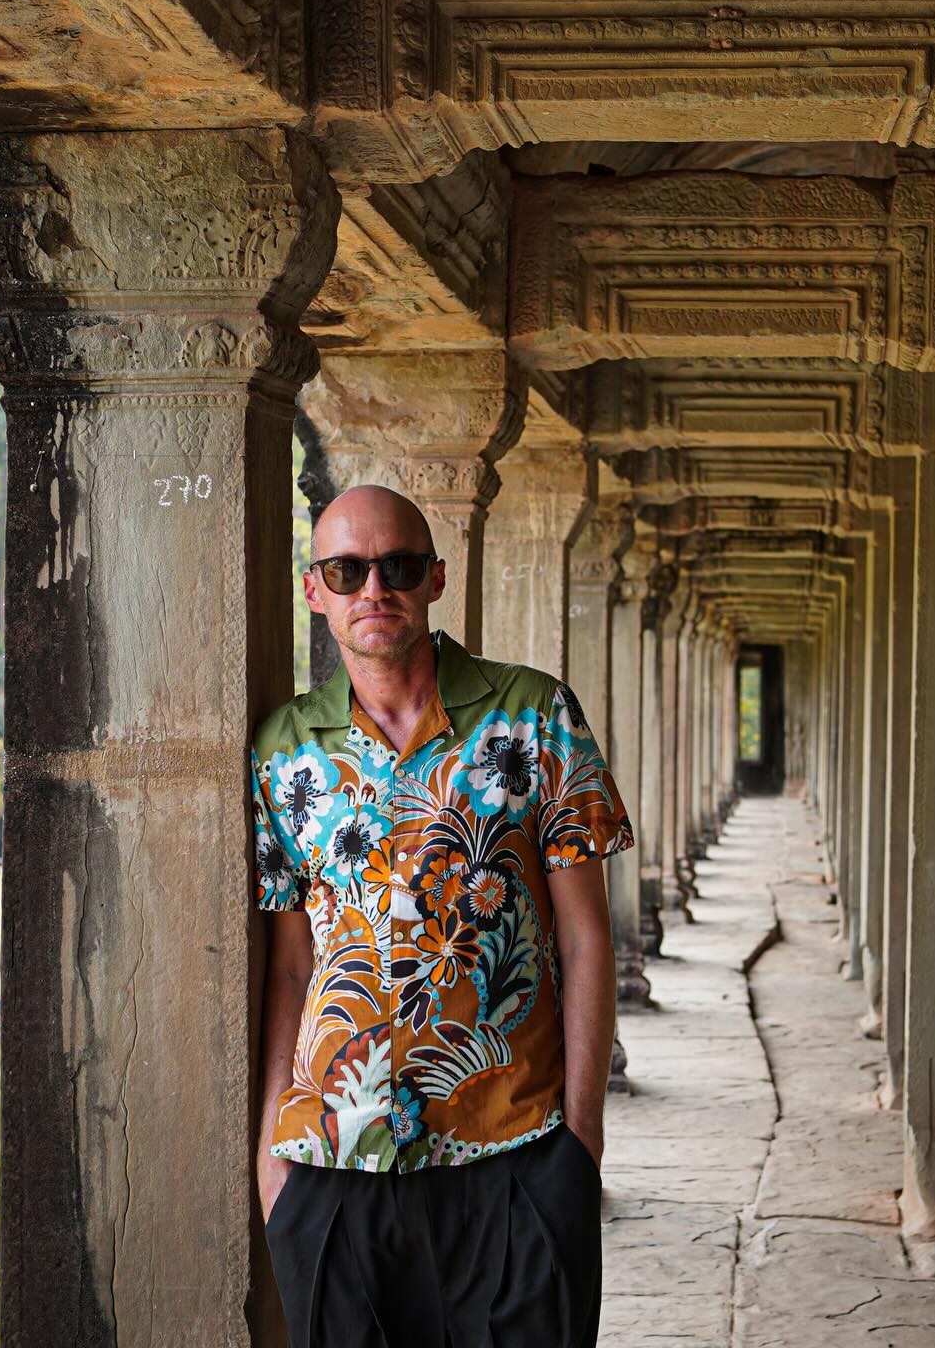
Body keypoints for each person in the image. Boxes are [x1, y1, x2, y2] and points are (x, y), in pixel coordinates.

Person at [250, 482, 634, 1348]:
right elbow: (289, 963)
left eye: (398, 566)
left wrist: (580, 1142)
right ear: (315, 591)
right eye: (346, 570)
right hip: (334, 1164)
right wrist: (271, 1156)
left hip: (515, 1155)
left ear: (436, 579)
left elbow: (584, 937)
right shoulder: (282, 751)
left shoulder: (535, 718)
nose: (373, 590)